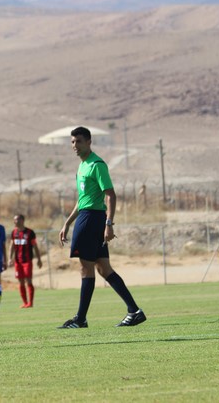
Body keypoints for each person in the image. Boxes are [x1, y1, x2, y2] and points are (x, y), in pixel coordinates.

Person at [58, 126, 146, 328]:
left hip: (92, 220)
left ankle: (80, 319)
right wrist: (67, 222)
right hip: (87, 216)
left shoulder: (97, 164)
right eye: (72, 142)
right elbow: (82, 200)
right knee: (103, 268)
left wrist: (109, 223)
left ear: (89, 142)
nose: (75, 146)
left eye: (79, 141)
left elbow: (110, 194)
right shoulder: (82, 166)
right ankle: (134, 311)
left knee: (85, 268)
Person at [9, 214, 42, 308]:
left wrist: (39, 259)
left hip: (27, 261)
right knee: (20, 282)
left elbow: (35, 247)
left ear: (22, 220)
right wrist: (9, 258)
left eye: (17, 220)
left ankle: (30, 303)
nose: (15, 221)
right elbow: (11, 246)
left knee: (29, 281)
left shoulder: (30, 232)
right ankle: (25, 302)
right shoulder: (14, 232)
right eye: (14, 220)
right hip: (17, 262)